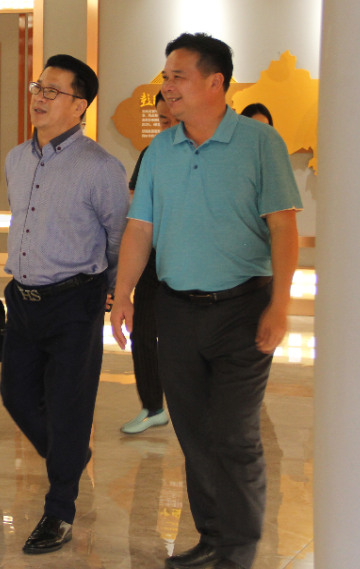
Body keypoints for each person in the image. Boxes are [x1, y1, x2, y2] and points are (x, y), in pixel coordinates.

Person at [111, 33, 301, 569]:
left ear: (216, 83)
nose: (167, 86)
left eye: (179, 76)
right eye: (165, 76)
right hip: (176, 309)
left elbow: (283, 227)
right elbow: (139, 229)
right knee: (194, 433)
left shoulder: (260, 143)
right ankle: (213, 538)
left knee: (234, 434)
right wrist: (122, 294)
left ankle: (238, 553)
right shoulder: (159, 151)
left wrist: (280, 305)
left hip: (243, 307)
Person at [1, 55, 130, 555]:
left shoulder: (101, 167)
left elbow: (118, 238)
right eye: (39, 87)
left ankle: (60, 510)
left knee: (69, 407)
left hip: (76, 299)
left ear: (79, 106)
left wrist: (115, 292)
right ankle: (70, 460)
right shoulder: (17, 158)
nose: (40, 97)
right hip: (22, 299)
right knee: (15, 394)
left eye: (53, 91)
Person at [120, 91, 175, 435]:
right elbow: (136, 206)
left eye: (174, 119)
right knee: (142, 332)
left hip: (188, 260)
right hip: (153, 257)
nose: (168, 127)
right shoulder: (152, 152)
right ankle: (153, 406)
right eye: (163, 120)